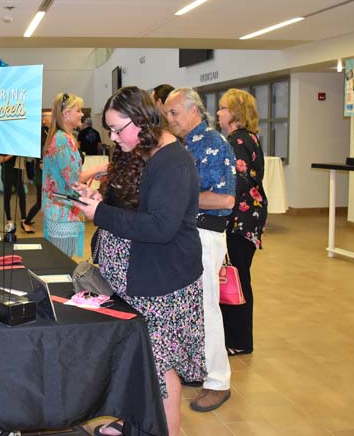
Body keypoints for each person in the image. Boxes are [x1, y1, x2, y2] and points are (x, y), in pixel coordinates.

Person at [71, 86, 205, 436]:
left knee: (159, 368)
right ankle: (134, 422)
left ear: (143, 120)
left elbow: (160, 227)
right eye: (110, 130)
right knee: (137, 361)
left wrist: (100, 213)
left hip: (161, 281)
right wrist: (97, 198)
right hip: (133, 277)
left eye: (118, 129)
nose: (113, 137)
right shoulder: (138, 150)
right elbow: (126, 204)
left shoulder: (173, 161)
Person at [163, 87, 236, 412]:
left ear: (194, 111)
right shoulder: (181, 145)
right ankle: (198, 369)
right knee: (188, 309)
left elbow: (226, 200)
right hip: (185, 235)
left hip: (206, 235)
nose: (169, 119)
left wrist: (177, 197)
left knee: (207, 310)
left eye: (174, 112)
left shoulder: (215, 144)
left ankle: (219, 382)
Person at [217, 89, 268, 356]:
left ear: (235, 112)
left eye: (223, 108)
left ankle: (238, 340)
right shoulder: (249, 138)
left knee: (235, 278)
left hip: (241, 219)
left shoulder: (236, 141)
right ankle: (237, 337)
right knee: (239, 275)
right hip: (250, 217)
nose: (218, 113)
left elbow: (237, 182)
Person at [42, 92, 86, 256]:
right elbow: (74, 179)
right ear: (66, 114)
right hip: (63, 214)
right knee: (62, 263)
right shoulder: (63, 140)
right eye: (78, 110)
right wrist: (100, 168)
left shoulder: (62, 137)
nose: (82, 114)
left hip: (60, 211)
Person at [0, 154, 33, 233]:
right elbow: (1, 160)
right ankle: (9, 219)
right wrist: (13, 154)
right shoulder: (5, 145)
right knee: (7, 196)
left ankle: (23, 220)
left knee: (22, 195)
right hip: (7, 172)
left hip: (17, 171)